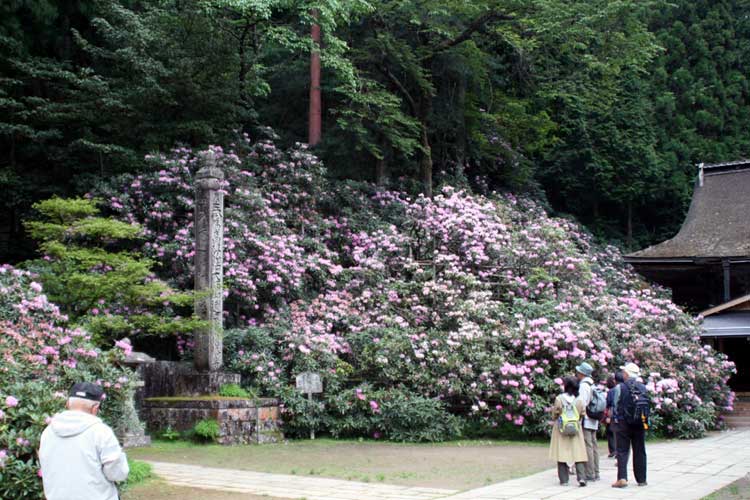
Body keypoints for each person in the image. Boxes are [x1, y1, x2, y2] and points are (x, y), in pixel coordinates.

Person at [39, 382, 130, 500]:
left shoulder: (48, 432)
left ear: (67, 404)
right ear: (95, 408)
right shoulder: (101, 432)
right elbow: (118, 473)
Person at [612, 362, 648, 489]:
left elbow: (615, 405)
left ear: (626, 374)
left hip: (623, 423)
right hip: (640, 423)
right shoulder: (643, 387)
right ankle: (642, 479)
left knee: (622, 451)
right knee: (640, 450)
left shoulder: (620, 387)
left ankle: (622, 478)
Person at [549, 377, 589, 487]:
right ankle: (581, 477)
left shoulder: (559, 399)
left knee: (561, 453)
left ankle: (564, 479)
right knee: (578, 453)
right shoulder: (579, 400)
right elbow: (583, 413)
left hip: (561, 428)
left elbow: (555, 413)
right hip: (575, 428)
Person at [575, 361, 600, 482]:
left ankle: (590, 473)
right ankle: (596, 471)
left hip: (586, 419)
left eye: (578, 371)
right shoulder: (592, 384)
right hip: (594, 419)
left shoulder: (584, 385)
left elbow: (582, 403)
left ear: (582, 373)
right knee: (594, 445)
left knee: (588, 446)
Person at [604, 372, 624, 458]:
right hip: (623, 414)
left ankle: (613, 450)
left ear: (615, 380)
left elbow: (608, 404)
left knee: (611, 432)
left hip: (613, 413)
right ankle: (619, 450)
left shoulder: (611, 391)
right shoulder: (625, 389)